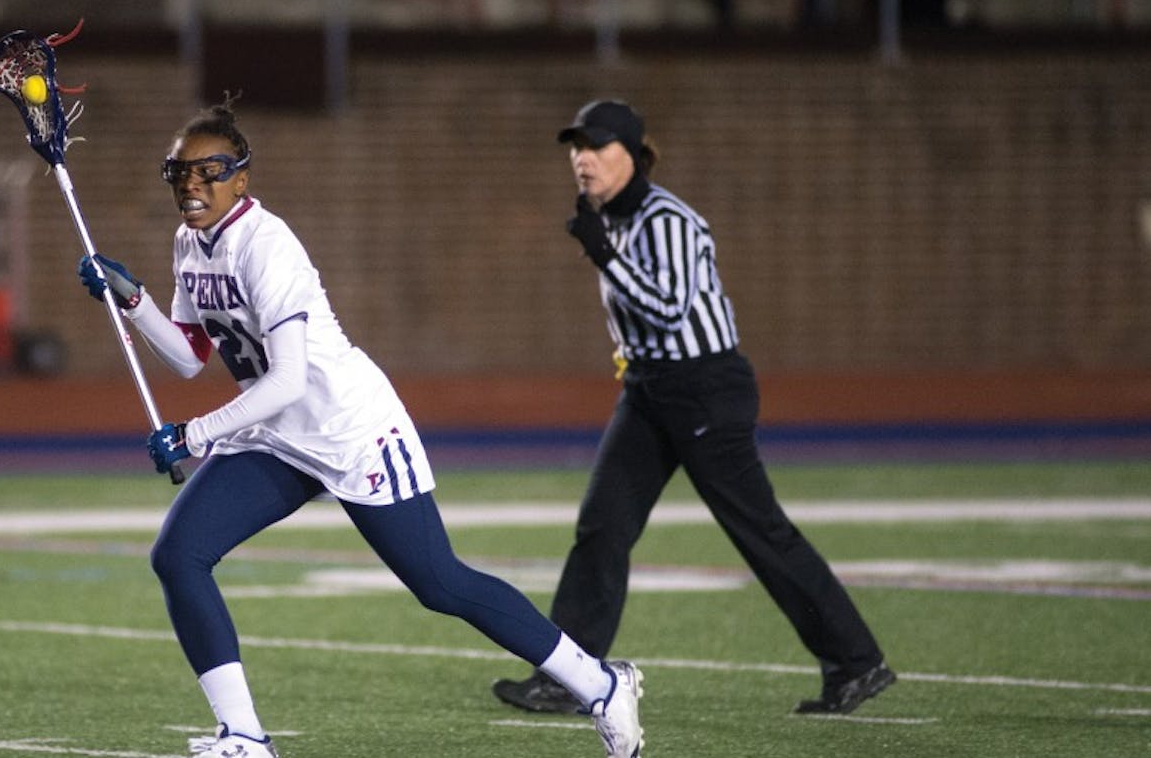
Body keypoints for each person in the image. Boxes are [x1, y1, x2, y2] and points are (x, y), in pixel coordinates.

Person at [76, 101, 646, 758]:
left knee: (440, 584)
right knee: (179, 556)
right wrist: (133, 300)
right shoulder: (188, 244)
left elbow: (289, 379)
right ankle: (245, 736)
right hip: (277, 434)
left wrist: (195, 435)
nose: (192, 185)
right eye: (179, 173)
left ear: (242, 178)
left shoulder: (267, 245)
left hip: (348, 430)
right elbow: (188, 356)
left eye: (211, 171)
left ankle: (600, 685)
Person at [490, 99, 895, 717]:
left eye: (596, 146)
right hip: (650, 391)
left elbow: (671, 308)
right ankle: (569, 676)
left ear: (632, 153)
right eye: (576, 147)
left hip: (704, 388)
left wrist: (605, 256)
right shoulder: (612, 221)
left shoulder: (667, 218)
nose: (582, 159)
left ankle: (856, 661)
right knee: (602, 527)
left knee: (759, 530)